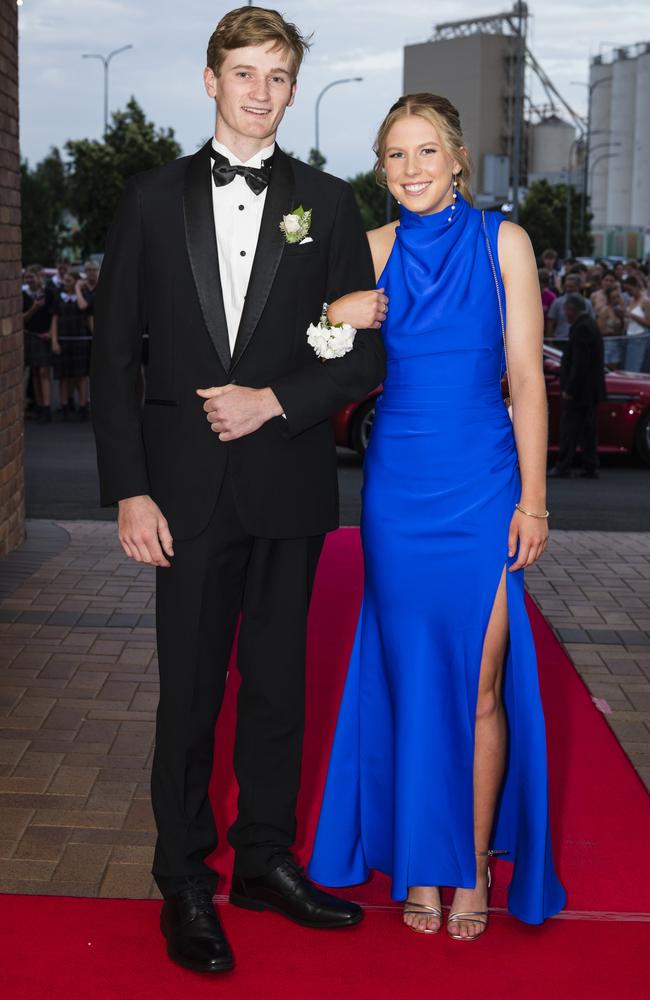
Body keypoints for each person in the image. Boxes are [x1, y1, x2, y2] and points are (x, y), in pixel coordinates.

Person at [91, 5, 386, 976]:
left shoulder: (329, 204)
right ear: (210, 80)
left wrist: (274, 401)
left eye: (278, 77)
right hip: (178, 493)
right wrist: (130, 491)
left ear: (294, 89)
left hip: (288, 482)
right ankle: (183, 876)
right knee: (186, 695)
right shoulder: (147, 200)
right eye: (244, 73)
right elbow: (110, 361)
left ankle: (263, 859)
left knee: (275, 689)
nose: (261, 93)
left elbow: (360, 354)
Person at [308, 93, 566, 939]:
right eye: (394, 156)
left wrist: (533, 500)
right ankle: (424, 865)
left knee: (483, 684)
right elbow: (294, 339)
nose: (411, 169)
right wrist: (329, 316)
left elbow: (527, 379)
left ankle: (477, 863)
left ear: (458, 158)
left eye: (425, 152)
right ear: (380, 170)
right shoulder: (373, 250)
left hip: (486, 483)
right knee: (413, 680)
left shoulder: (506, 243)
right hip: (399, 489)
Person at [548, 294, 606, 479]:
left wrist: (570, 389)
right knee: (588, 430)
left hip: (580, 391)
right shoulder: (589, 325)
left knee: (570, 430)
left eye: (566, 309)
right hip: (588, 390)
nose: (565, 313)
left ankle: (563, 466)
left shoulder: (581, 328)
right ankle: (590, 465)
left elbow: (580, 363)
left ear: (572, 309)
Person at [51, 270, 92, 420]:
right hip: (63, 339)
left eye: (68, 280)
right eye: (65, 281)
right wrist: (54, 341)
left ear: (75, 281)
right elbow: (54, 319)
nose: (64, 283)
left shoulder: (83, 295)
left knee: (81, 376)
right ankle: (65, 405)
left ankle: (82, 406)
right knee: (63, 376)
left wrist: (77, 289)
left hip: (80, 340)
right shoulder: (59, 297)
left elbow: (83, 307)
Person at [22, 265, 55, 422]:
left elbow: (55, 315)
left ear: (39, 277)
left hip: (45, 337)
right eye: (26, 277)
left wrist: (51, 332)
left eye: (31, 277)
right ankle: (40, 406)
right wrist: (34, 308)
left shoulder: (47, 293)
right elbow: (22, 319)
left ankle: (47, 407)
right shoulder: (23, 294)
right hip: (31, 336)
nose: (28, 280)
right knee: (35, 372)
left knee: (44, 372)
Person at [546, 272, 594, 340]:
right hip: (560, 340)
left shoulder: (587, 303)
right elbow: (550, 322)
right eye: (566, 286)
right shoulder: (557, 302)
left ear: (578, 287)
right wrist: (550, 340)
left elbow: (591, 321)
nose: (568, 289)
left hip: (580, 340)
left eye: (571, 287)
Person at [621, 275, 650, 372]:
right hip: (629, 336)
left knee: (633, 368)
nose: (628, 293)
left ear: (636, 287)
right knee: (628, 367)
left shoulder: (646, 301)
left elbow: (648, 323)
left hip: (640, 337)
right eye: (626, 290)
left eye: (630, 290)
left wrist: (632, 315)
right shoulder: (631, 300)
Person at [596, 284, 625, 368]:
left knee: (615, 367)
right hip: (607, 344)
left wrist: (622, 318)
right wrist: (612, 332)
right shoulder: (604, 311)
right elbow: (599, 330)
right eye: (613, 298)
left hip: (617, 343)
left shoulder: (619, 310)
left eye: (618, 297)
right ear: (609, 299)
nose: (616, 300)